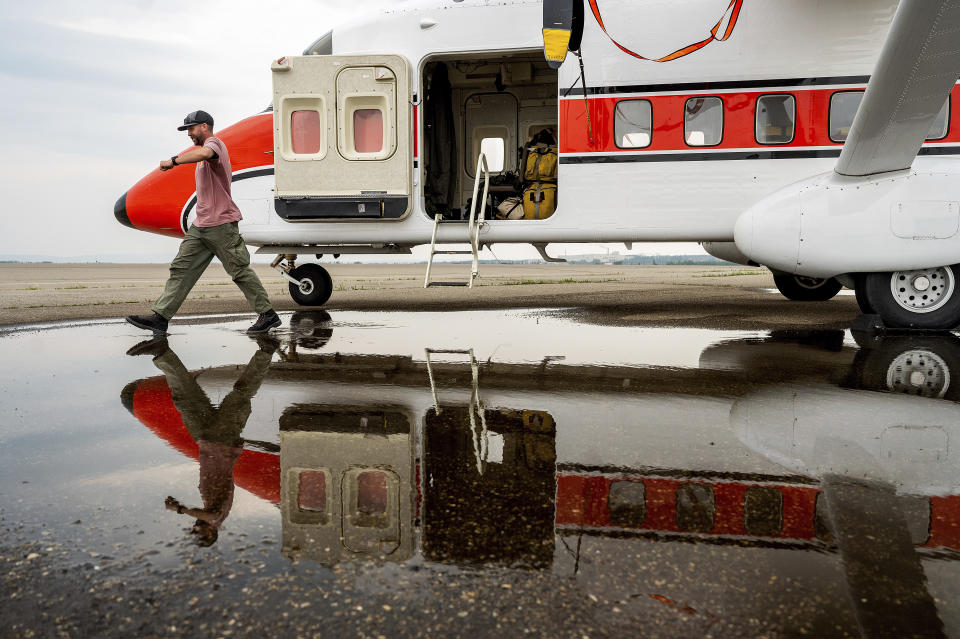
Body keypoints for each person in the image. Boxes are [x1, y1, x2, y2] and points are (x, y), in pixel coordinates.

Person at [126, 110, 281, 334]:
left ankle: (268, 315)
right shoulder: (202, 153)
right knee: (181, 268)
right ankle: (160, 318)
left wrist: (173, 161)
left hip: (221, 225)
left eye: (191, 128)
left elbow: (206, 153)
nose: (189, 133)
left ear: (205, 127)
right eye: (187, 129)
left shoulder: (214, 145)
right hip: (201, 225)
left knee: (239, 271)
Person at [127, 335, 278, 545]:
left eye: (194, 531)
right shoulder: (218, 516)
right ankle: (266, 351)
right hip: (223, 441)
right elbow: (211, 517)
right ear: (211, 532)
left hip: (205, 439)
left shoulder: (209, 506)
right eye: (199, 532)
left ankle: (162, 352)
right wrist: (180, 509)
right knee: (240, 394)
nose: (195, 527)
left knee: (185, 397)